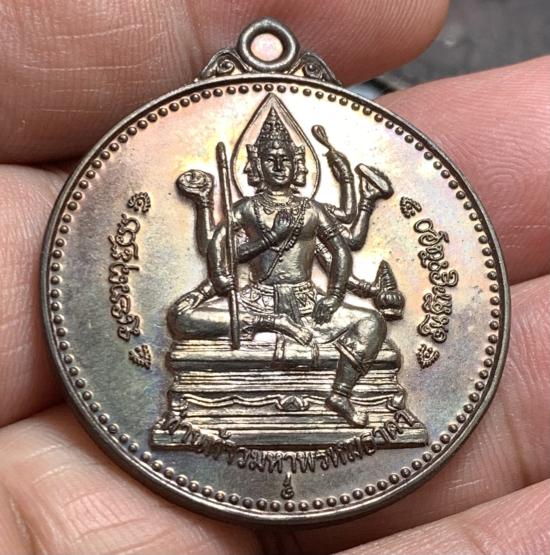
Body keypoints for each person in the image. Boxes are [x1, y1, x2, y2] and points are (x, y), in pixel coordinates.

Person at [2, 2, 548, 554]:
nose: (280, 165)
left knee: (372, 330)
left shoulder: (312, 210)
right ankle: (281, 340)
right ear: (256, 166)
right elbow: (220, 268)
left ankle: (340, 393)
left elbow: (341, 253)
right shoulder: (244, 210)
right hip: (258, 301)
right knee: (179, 319)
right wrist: (223, 217)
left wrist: (333, 298)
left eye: (287, 159)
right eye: (270, 160)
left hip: (307, 302)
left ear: (298, 165)